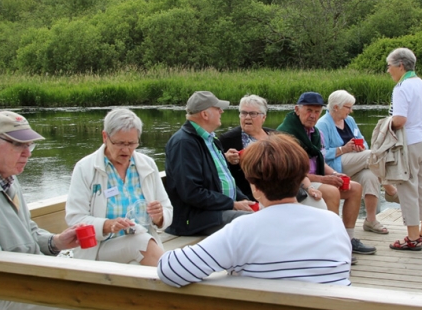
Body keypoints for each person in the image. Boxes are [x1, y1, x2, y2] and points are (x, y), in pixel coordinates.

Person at [0, 111, 117, 310]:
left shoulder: (7, 178)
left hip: (17, 286)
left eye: (29, 145)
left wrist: (56, 242)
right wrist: (51, 278)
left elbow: (26, 231)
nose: (27, 153)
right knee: (100, 300)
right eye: (18, 145)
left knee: (102, 301)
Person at [157, 133, 352, 287]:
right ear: (300, 181)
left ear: (255, 188)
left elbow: (171, 270)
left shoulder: (243, 229)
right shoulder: (332, 222)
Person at [65, 108, 173, 266]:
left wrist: (159, 217)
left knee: (139, 256)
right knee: (140, 243)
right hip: (99, 248)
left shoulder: (147, 165)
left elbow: (167, 209)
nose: (126, 149)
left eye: (132, 143)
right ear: (105, 137)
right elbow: (75, 218)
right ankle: (176, 274)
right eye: (120, 143)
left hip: (143, 247)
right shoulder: (85, 168)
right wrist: (108, 225)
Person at [277, 92, 376, 256]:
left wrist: (336, 174)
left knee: (355, 188)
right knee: (331, 191)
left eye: (317, 112)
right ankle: (332, 243)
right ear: (297, 109)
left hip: (315, 178)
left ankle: (348, 240)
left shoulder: (315, 133)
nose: (313, 115)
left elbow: (320, 160)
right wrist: (324, 179)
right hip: (296, 184)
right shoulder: (286, 134)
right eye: (309, 110)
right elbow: (294, 172)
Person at [164, 91, 255, 236]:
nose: (221, 111)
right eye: (217, 108)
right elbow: (191, 192)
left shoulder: (210, 139)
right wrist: (232, 204)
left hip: (218, 210)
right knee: (252, 222)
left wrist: (242, 198)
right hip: (194, 219)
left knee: (266, 214)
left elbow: (226, 177)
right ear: (205, 115)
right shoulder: (184, 143)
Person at [316, 90, 399, 235]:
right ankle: (391, 190)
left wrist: (360, 147)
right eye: (348, 107)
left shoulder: (349, 121)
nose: (351, 110)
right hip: (335, 165)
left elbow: (364, 143)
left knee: (370, 174)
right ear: (336, 107)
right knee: (371, 156)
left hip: (355, 161)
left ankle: (371, 220)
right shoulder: (323, 124)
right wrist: (343, 149)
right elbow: (320, 154)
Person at [386, 48, 422, 251]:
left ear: (400, 65)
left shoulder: (402, 87)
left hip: (411, 143)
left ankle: (413, 237)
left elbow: (400, 120)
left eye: (389, 66)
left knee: (407, 189)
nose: (388, 71)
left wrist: (385, 124)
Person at [218, 94, 274, 201]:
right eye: (244, 113)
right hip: (244, 196)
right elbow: (214, 167)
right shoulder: (228, 139)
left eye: (253, 113)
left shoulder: (276, 136)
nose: (247, 117)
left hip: (276, 192)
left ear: (264, 117)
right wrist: (225, 158)